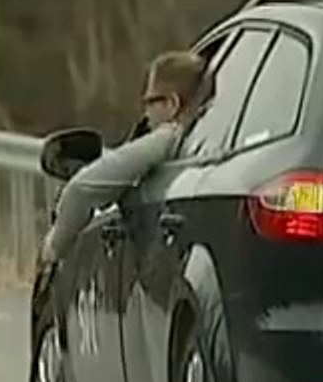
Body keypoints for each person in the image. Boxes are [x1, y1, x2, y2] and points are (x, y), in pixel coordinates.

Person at [38, 50, 208, 267]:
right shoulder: (202, 138)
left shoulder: (168, 136)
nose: (146, 115)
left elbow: (81, 189)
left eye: (149, 102)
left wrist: (52, 248)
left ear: (171, 104)